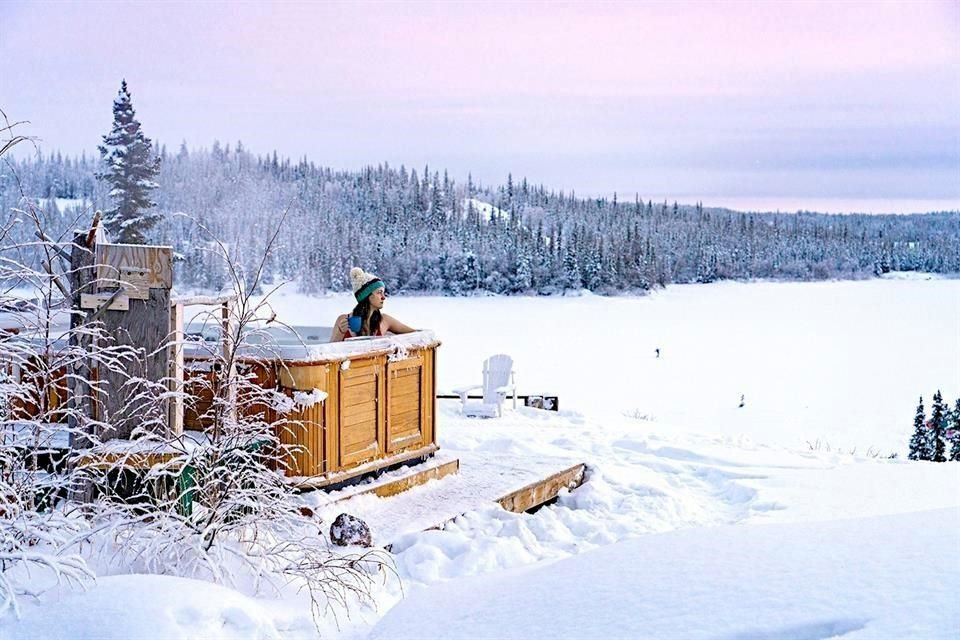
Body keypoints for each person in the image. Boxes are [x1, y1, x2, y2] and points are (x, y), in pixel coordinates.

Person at [330, 267, 416, 342]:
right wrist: (340, 333)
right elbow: (328, 351)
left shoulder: (385, 320)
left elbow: (415, 334)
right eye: (379, 292)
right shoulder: (344, 320)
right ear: (367, 296)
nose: (383, 297)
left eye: (383, 293)